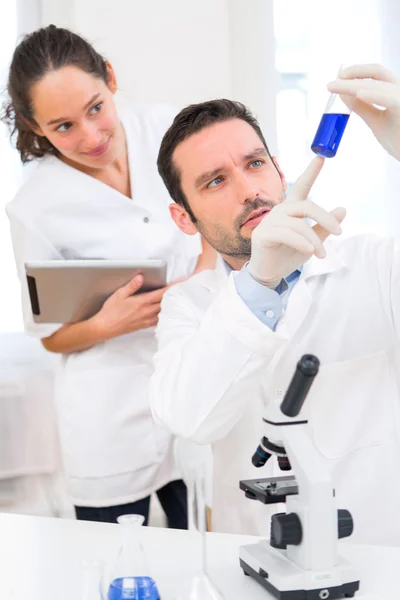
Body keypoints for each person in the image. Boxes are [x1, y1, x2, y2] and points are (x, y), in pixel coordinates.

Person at [150, 63, 400, 545]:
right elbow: (190, 417)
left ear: (280, 170)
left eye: (255, 163)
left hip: (375, 560)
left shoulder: (374, 265)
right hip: (248, 559)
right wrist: (260, 282)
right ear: (184, 218)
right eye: (215, 182)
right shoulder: (188, 306)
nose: (250, 190)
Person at [3, 25, 215, 526]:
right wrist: (111, 322)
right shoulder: (35, 209)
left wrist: (203, 277)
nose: (91, 136)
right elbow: (51, 339)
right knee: (118, 561)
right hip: (108, 413)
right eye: (63, 126)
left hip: (192, 381)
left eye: (95, 108)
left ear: (111, 80)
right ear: (35, 128)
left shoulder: (166, 129)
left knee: (204, 547)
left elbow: (215, 212)